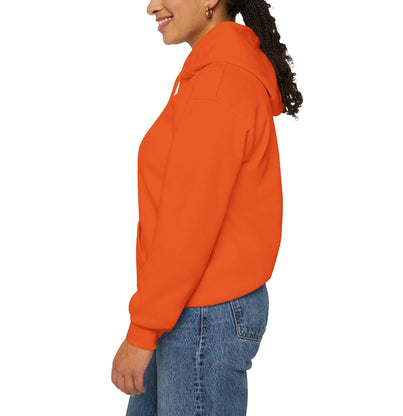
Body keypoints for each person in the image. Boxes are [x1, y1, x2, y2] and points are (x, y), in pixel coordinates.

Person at [111, 0, 303, 413]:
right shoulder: (212, 76)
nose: (151, 6)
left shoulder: (220, 83)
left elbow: (189, 222)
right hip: (184, 306)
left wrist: (142, 329)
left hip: (202, 314)